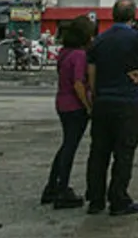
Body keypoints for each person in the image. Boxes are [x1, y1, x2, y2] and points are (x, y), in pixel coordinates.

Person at [85, 0, 138, 216]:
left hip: (103, 103)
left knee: (98, 152)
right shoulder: (136, 37)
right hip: (126, 102)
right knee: (124, 152)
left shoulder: (100, 40)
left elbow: (91, 73)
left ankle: (95, 199)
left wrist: (96, 96)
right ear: (133, 15)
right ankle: (118, 199)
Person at [43, 16, 94, 209]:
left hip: (62, 102)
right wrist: (88, 106)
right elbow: (79, 84)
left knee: (66, 145)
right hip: (75, 106)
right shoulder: (80, 55)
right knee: (70, 147)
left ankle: (52, 186)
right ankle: (62, 189)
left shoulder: (65, 52)